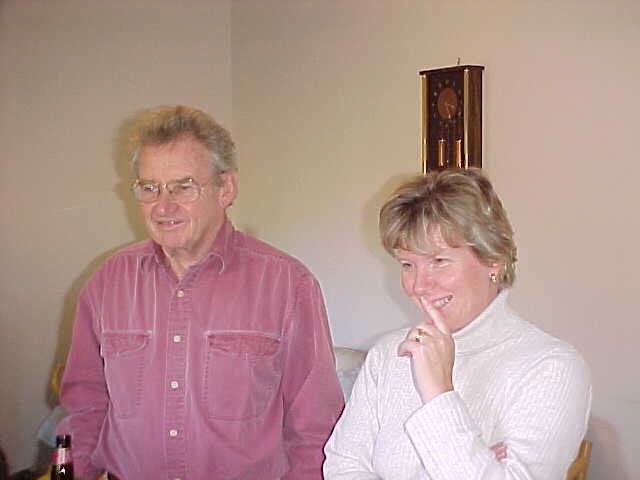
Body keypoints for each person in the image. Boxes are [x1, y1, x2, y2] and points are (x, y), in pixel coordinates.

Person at [58, 105, 344, 479]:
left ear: (225, 188)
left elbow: (315, 430)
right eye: (149, 188)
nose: (163, 206)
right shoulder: (106, 283)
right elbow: (85, 408)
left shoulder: (288, 285)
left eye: (183, 186)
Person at [324, 168, 592, 479]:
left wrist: (439, 392)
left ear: (493, 260)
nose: (418, 285)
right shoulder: (388, 354)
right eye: (407, 264)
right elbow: (342, 466)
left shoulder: (552, 368)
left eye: (439, 261)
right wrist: (476, 460)